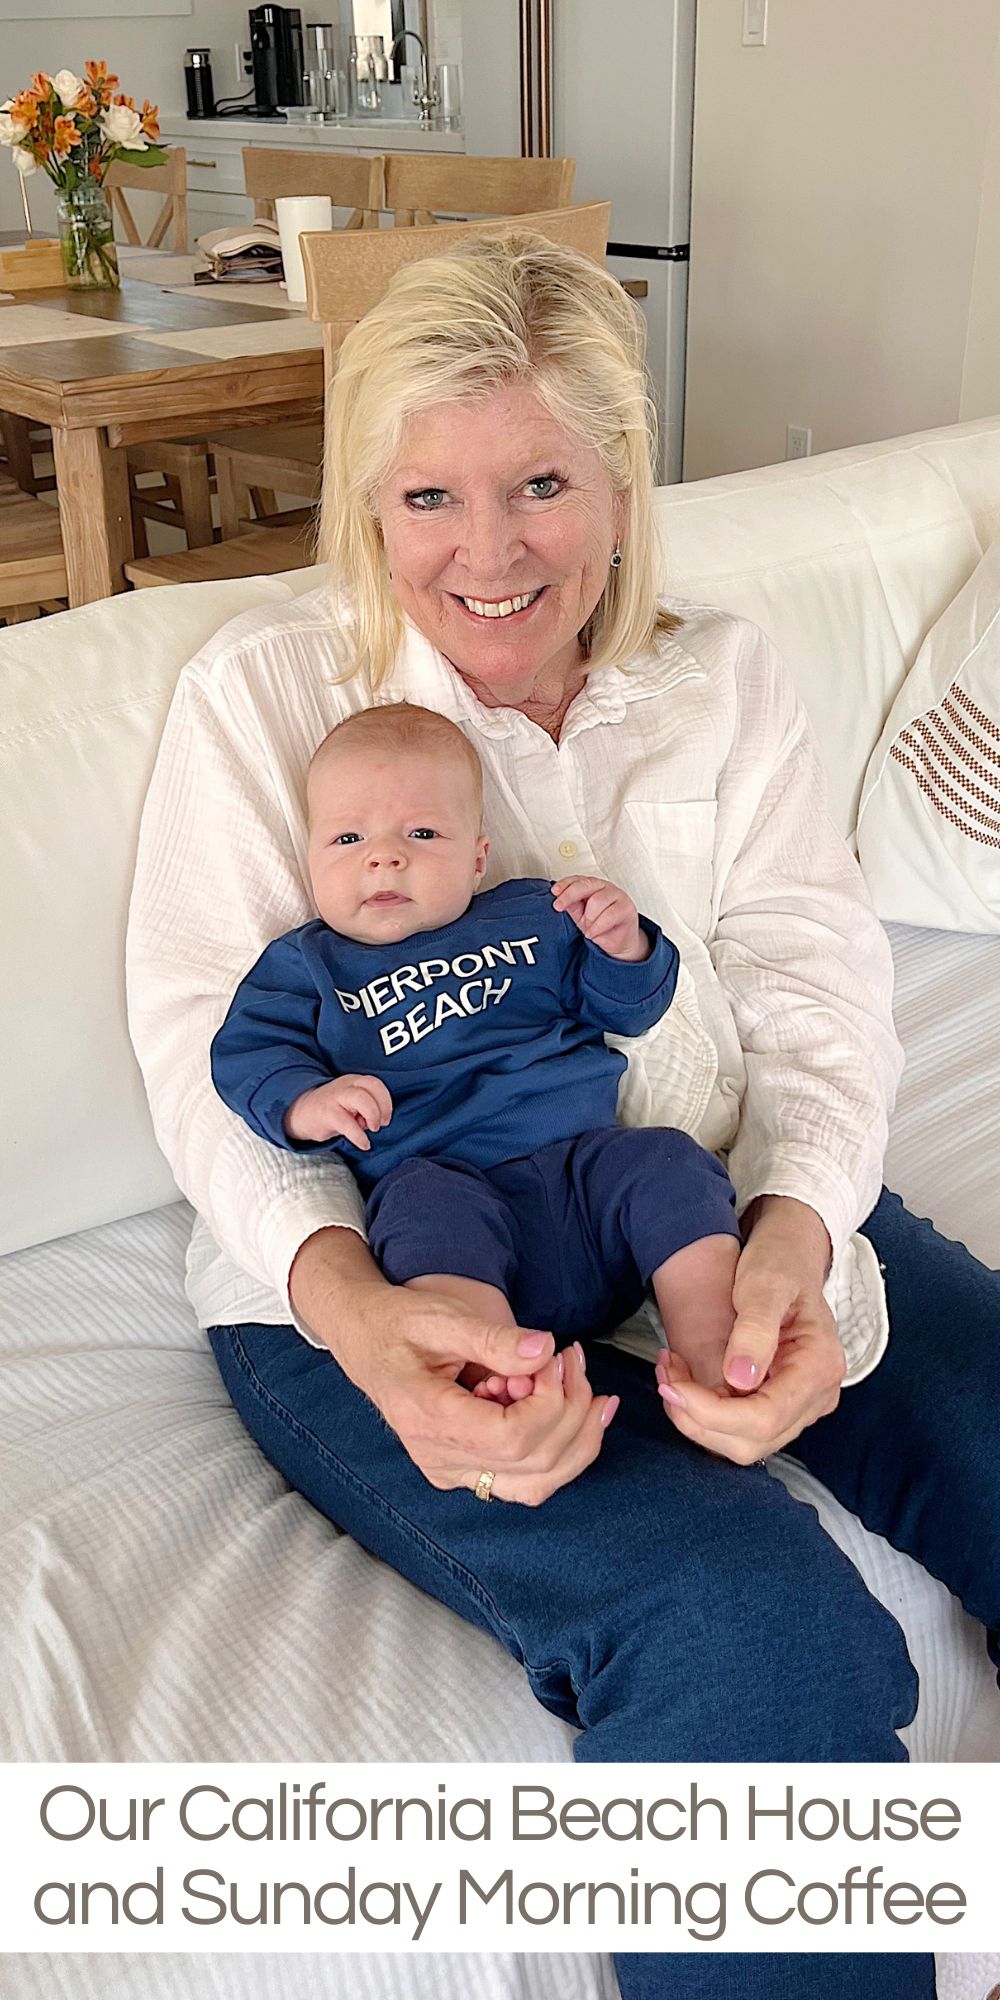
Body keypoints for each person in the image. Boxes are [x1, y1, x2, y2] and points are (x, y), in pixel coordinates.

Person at [126, 230, 999, 2000]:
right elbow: (202, 1052)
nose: (490, 552)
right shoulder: (267, 695)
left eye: (541, 484)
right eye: (429, 496)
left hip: (687, 1192)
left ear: (621, 481)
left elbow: (815, 973)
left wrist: (799, 1229)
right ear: (368, 503)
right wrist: (359, 1317)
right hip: (394, 1262)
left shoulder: (723, 674)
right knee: (752, 1633)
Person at [208, 702, 742, 1404]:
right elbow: (248, 1053)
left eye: (422, 833)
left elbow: (629, 1010)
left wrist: (624, 945)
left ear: (478, 857)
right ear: (310, 859)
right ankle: (499, 1379)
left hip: (588, 1170)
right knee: (422, 1209)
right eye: (347, 838)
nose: (383, 856)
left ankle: (715, 1353)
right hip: (445, 1185)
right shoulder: (307, 966)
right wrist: (306, 1103)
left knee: (671, 1162)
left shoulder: (534, 916)